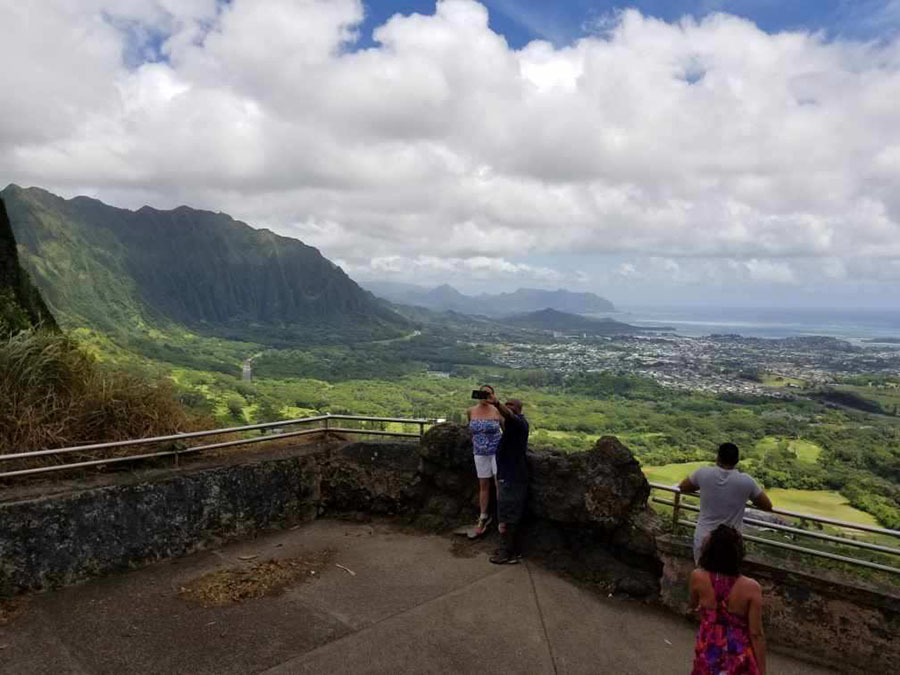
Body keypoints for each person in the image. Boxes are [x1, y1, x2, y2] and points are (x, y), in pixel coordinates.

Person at [690, 525, 766, 675]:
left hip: (708, 648)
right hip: (737, 653)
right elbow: (756, 633)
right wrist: (762, 669)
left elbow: (693, 604)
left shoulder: (697, 577)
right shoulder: (751, 587)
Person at [678, 442, 773, 563]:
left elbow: (683, 487)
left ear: (717, 458)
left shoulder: (703, 473)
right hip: (731, 541)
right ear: (737, 460)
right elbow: (767, 505)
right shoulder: (747, 481)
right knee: (727, 578)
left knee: (703, 574)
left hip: (704, 536)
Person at [488, 394, 529, 564]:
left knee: (508, 515)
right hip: (510, 476)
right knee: (508, 514)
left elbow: (509, 416)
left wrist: (497, 403)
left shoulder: (519, 422)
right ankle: (512, 551)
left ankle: (507, 552)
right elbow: (505, 422)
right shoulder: (514, 427)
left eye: (510, 404)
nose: (507, 406)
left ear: (518, 409)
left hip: (513, 478)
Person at [467, 384, 502, 536]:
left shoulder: (497, 410)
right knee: (483, 485)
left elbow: (506, 430)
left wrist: (495, 402)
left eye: (488, 394)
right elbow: (470, 429)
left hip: (496, 451)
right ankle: (483, 516)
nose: (485, 396)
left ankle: (502, 518)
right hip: (480, 451)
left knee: (498, 484)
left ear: (493, 395)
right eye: (482, 393)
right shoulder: (471, 411)